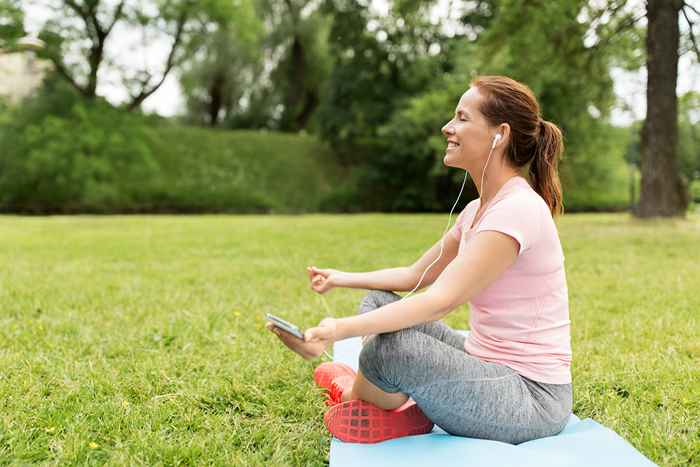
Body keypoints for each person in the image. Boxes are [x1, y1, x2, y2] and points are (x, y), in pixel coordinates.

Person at [266, 75, 573, 445]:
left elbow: (439, 302)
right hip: (485, 366)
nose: (448, 127)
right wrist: (340, 277)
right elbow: (415, 275)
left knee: (388, 347)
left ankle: (352, 394)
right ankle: (393, 406)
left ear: (500, 134)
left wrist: (336, 330)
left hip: (530, 399)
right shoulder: (478, 209)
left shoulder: (517, 210)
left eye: (462, 118)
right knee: (378, 305)